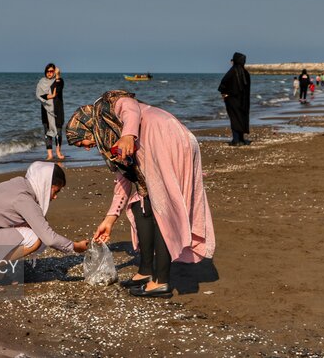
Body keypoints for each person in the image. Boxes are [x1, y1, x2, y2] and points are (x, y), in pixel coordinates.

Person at [66, 90, 215, 298]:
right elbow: (123, 179)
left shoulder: (105, 107)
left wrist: (128, 135)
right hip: (158, 142)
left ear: (86, 128)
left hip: (165, 136)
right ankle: (145, 271)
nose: (87, 148)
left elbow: (129, 105)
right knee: (140, 205)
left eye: (81, 143)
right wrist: (109, 220)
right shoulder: (111, 136)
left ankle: (161, 281)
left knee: (162, 210)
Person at [0, 162, 89, 292]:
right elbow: (50, 239)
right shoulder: (23, 198)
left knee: (38, 234)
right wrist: (76, 247)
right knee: (36, 239)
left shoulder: (21, 185)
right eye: (55, 191)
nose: (55, 197)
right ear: (45, 184)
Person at [218, 52, 252, 146]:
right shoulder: (246, 73)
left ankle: (236, 140)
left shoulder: (232, 71)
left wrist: (224, 94)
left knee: (234, 118)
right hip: (244, 101)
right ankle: (241, 139)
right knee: (241, 118)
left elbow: (223, 82)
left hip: (232, 100)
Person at [36, 63, 65, 160]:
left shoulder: (59, 81)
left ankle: (58, 152)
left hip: (57, 110)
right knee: (47, 132)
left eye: (51, 71)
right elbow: (40, 95)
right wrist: (50, 96)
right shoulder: (41, 82)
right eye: (48, 71)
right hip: (45, 111)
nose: (49, 73)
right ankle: (49, 154)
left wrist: (57, 76)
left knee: (58, 132)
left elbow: (59, 89)